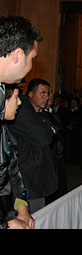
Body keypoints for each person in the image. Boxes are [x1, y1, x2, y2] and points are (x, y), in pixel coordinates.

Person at [6, 78, 59, 213]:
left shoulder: (43, 114)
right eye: (42, 93)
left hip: (39, 175)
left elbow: (55, 130)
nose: (47, 98)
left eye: (48, 94)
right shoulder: (22, 111)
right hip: (28, 177)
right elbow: (45, 136)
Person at [0, 84, 35, 229]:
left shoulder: (5, 133)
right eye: (16, 97)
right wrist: (6, 220)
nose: (19, 102)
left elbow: (13, 175)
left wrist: (22, 209)